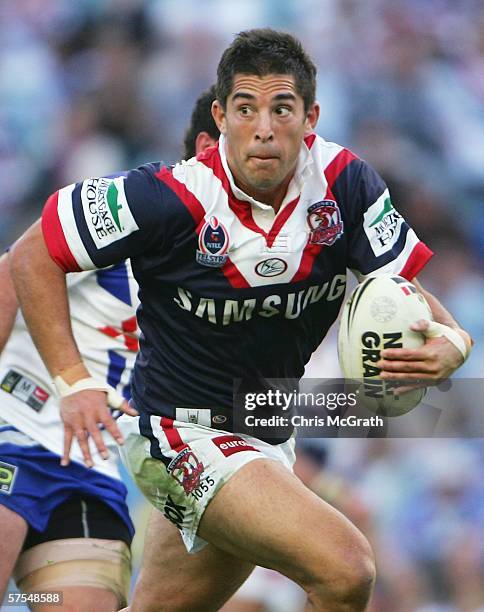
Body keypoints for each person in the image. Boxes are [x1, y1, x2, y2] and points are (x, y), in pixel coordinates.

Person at [10, 29, 472, 612]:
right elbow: (31, 254)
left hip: (265, 438)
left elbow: (411, 293)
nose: (263, 128)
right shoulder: (168, 196)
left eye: (282, 109)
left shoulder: (346, 186)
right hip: (178, 437)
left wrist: (454, 341)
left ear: (310, 117)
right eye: (245, 108)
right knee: (346, 569)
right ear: (220, 116)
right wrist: (72, 380)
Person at [0, 87, 219, 610]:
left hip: (90, 470)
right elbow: (13, 272)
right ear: (210, 145)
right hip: (13, 433)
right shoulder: (139, 209)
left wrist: (396, 399)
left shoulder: (232, 267)